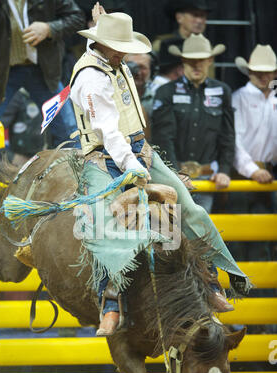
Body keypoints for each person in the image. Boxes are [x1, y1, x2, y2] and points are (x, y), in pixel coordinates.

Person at [69, 6, 251, 336]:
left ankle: (211, 280)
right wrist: (132, 166)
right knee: (103, 226)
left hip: (139, 148)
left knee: (189, 207)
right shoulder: (91, 79)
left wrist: (102, 24)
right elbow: (109, 133)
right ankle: (110, 305)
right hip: (104, 156)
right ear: (105, 44)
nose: (125, 53)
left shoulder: (109, 59)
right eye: (119, 45)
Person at [0, 0, 86, 148]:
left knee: (69, 132)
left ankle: (71, 169)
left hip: (43, 71)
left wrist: (49, 28)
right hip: (1, 73)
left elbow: (78, 18)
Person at [151, 34, 234, 214]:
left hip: (207, 178)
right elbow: (162, 137)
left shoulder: (222, 91)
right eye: (191, 60)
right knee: (170, 236)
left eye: (201, 60)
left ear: (210, 60)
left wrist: (225, 170)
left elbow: (227, 135)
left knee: (199, 236)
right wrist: (174, 173)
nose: (196, 65)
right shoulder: (165, 92)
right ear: (182, 60)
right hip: (172, 178)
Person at [226, 45, 277, 267]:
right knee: (238, 239)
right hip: (243, 173)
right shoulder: (239, 98)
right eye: (259, 72)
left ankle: (262, 297)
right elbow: (233, 139)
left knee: (264, 239)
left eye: (268, 72)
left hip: (269, 172)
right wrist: (252, 169)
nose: (264, 76)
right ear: (250, 72)